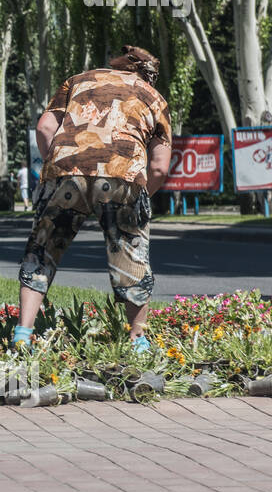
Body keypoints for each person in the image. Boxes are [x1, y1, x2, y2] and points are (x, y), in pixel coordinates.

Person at [15, 46, 172, 351]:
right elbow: (159, 166)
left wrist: (58, 169)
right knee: (130, 257)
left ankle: (22, 334)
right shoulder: (152, 96)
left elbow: (45, 127)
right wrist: (142, 197)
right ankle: (137, 342)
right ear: (146, 74)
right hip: (121, 174)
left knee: (42, 251)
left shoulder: (78, 81)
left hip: (64, 170)